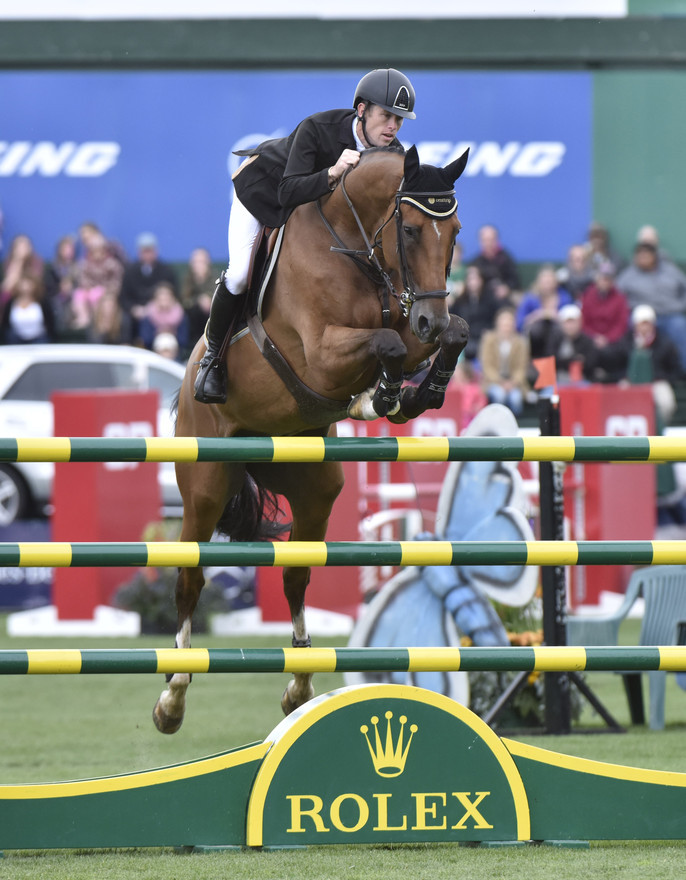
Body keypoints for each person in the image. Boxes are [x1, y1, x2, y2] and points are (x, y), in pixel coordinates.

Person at [194, 67, 417, 404]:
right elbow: (287, 191)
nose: (393, 127)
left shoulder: (393, 155)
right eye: (386, 115)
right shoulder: (320, 128)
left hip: (310, 216)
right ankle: (212, 360)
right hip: (263, 194)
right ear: (361, 110)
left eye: (399, 120)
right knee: (240, 275)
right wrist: (332, 172)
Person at [603, 304, 682, 425]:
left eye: (647, 323)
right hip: (629, 382)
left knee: (666, 402)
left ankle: (658, 430)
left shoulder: (664, 343)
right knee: (616, 399)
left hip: (656, 382)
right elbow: (613, 364)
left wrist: (659, 376)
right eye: (641, 323)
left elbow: (675, 369)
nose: (644, 327)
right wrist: (626, 376)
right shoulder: (625, 342)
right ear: (635, 324)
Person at [615, 241, 686, 371]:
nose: (643, 259)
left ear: (654, 256)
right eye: (640, 256)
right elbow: (617, 294)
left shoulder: (670, 270)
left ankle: (682, 371)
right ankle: (630, 372)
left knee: (680, 325)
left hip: (670, 314)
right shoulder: (629, 274)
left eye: (646, 255)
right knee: (628, 324)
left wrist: (681, 305)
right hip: (643, 314)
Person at [118, 232, 178, 344]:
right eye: (144, 251)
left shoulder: (166, 271)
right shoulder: (130, 271)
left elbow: (174, 294)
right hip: (135, 312)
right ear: (139, 252)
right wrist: (133, 309)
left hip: (159, 310)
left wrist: (153, 307)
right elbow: (123, 297)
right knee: (125, 320)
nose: (147, 255)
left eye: (150, 250)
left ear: (156, 251)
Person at [478, 307, 529, 417]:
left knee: (516, 398)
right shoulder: (489, 340)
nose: (507, 326)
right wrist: (500, 382)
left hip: (514, 383)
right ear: (498, 323)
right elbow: (487, 366)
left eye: (509, 323)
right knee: (499, 395)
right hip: (493, 382)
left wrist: (512, 383)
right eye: (504, 323)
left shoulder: (520, 342)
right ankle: (497, 422)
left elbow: (521, 367)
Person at [449, 264, 499, 363]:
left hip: (485, 339)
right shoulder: (460, 301)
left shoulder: (490, 299)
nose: (473, 282)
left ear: (482, 280)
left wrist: (490, 332)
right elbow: (452, 319)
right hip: (465, 339)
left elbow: (495, 319)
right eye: (470, 279)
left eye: (476, 278)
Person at [580, 260, 629, 350]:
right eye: (603, 278)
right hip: (591, 340)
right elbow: (584, 321)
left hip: (613, 342)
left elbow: (621, 324)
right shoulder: (588, 296)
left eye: (608, 279)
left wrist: (608, 338)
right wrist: (595, 337)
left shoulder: (620, 298)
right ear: (597, 279)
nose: (605, 282)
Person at [469, 224, 521, 306]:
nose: (488, 243)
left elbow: (515, 280)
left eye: (491, 240)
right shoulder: (476, 262)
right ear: (480, 241)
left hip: (503, 299)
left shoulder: (506, 258)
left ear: (497, 240)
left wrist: (506, 288)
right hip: (482, 300)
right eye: (485, 240)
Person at [516, 264, 572, 333]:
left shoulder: (565, 298)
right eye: (545, 282)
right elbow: (519, 325)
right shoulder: (529, 299)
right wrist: (537, 316)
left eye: (549, 282)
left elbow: (572, 323)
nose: (547, 286)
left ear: (556, 282)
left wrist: (557, 317)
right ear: (538, 282)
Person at [0, 274, 55, 344]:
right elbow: (5, 323)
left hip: (39, 339)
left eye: (29, 283)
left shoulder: (43, 302)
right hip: (15, 339)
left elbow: (50, 322)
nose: (26, 286)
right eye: (23, 283)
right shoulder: (11, 303)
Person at [138, 280, 189, 352]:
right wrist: (158, 333)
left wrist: (171, 334)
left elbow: (183, 341)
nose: (164, 299)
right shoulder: (149, 315)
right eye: (161, 296)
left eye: (167, 296)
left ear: (173, 298)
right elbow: (146, 339)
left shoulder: (180, 315)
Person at [553, 303, 599, 383]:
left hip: (582, 381)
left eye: (573, 322)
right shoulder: (555, 340)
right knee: (547, 393)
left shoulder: (587, 341)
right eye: (567, 322)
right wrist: (574, 360)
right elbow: (551, 362)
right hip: (558, 381)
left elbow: (590, 364)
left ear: (580, 322)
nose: (570, 326)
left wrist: (567, 361)